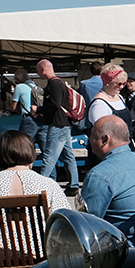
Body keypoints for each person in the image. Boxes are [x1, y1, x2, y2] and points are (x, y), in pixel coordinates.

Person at [81, 115, 135, 246]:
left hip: (120, 251)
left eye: (92, 135)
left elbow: (87, 226)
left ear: (105, 139)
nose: (89, 140)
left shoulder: (99, 175)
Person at [0, 130, 71, 211]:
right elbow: (64, 220)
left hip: (0, 230)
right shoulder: (49, 185)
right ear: (31, 153)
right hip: (36, 230)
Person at [34, 59, 81, 192]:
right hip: (64, 123)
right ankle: (73, 184)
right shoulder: (60, 82)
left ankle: (40, 187)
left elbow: (54, 104)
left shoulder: (53, 84)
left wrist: (38, 109)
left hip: (57, 124)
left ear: (43, 69)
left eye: (38, 71)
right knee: (68, 155)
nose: (37, 74)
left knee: (49, 156)